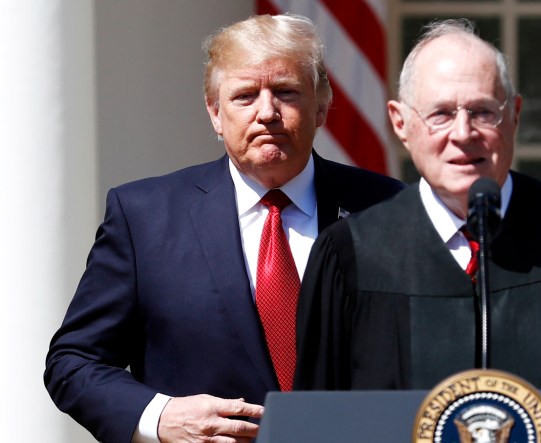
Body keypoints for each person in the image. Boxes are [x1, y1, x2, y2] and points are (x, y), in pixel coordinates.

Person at [44, 13, 404, 443]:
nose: (266, 112)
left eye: (286, 93)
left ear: (322, 105)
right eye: (245, 96)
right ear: (215, 113)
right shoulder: (145, 217)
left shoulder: (389, 209)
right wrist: (161, 417)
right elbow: (74, 361)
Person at [294, 19, 541, 392]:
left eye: (483, 112)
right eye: (440, 114)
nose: (463, 134)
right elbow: (320, 420)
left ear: (515, 115)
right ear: (401, 123)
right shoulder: (351, 256)